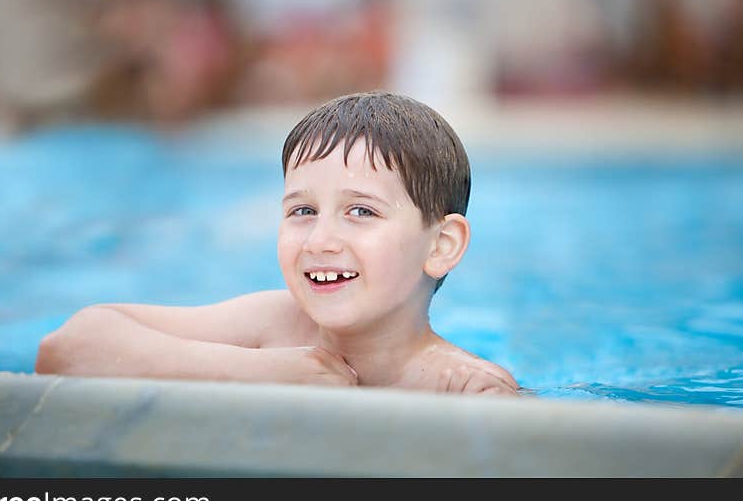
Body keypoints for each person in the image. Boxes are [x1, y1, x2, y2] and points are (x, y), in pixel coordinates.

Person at [35, 91, 519, 396]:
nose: (321, 240)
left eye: (361, 211)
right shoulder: (275, 326)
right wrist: (255, 372)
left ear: (441, 245)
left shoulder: (462, 389)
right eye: (302, 211)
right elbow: (67, 347)